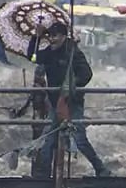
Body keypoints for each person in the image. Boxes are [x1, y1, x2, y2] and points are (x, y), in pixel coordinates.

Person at [29, 21, 112, 178]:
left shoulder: (73, 52)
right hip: (55, 103)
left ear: (63, 36)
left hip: (72, 103)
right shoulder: (49, 52)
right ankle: (43, 176)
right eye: (49, 36)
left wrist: (70, 86)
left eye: (55, 36)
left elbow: (87, 74)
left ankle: (101, 169)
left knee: (79, 139)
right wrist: (36, 37)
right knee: (48, 139)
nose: (52, 39)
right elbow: (33, 58)